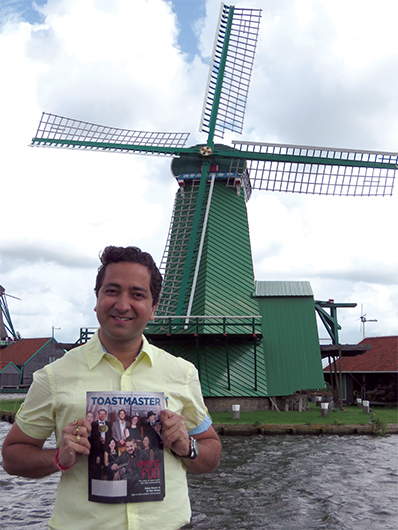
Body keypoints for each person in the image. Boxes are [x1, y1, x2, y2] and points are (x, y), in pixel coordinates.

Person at [1, 245, 221, 530]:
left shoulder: (182, 373)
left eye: (137, 294)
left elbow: (211, 452)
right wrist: (59, 457)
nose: (122, 303)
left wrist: (187, 446)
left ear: (153, 308)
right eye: (112, 291)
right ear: (97, 300)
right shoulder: (53, 377)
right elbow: (12, 456)